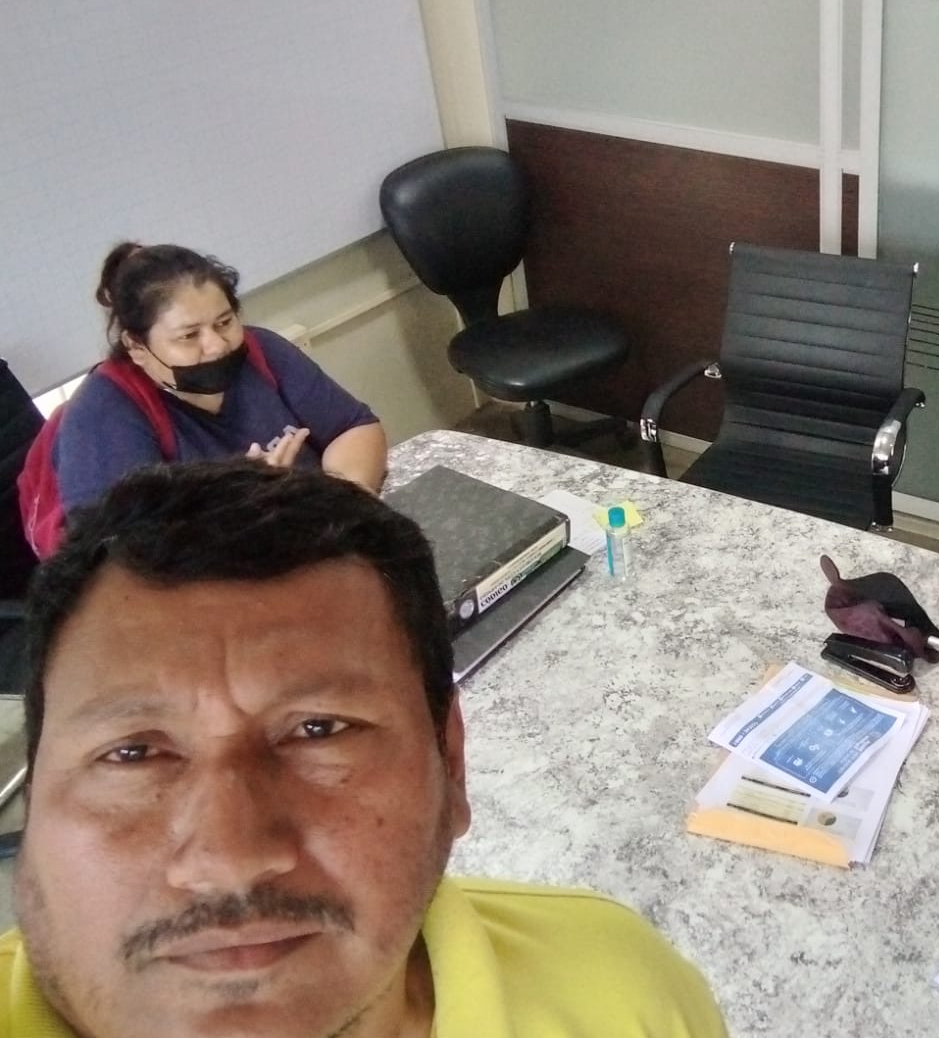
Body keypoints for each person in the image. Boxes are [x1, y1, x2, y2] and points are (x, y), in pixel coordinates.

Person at [6, 460, 726, 1038]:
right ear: (31, 797)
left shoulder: (624, 995)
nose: (229, 857)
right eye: (133, 752)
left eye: (319, 729)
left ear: (451, 763)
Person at [52, 242, 387, 516]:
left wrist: (343, 505)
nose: (216, 346)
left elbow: (352, 428)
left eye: (224, 323)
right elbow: (117, 555)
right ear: (137, 346)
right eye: (189, 336)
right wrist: (239, 511)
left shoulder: (262, 350)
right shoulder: (102, 416)